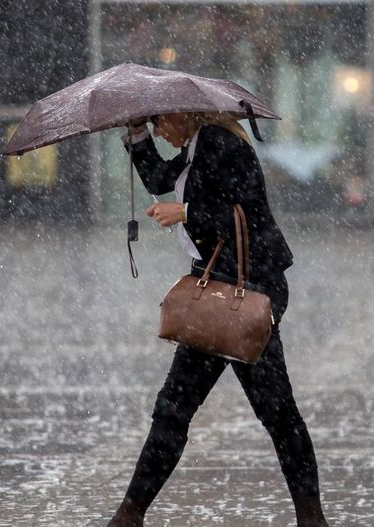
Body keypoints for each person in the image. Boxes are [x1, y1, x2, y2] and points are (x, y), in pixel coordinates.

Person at [107, 112, 329, 527]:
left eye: (158, 122)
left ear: (180, 113)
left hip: (244, 293)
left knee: (273, 412)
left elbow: (247, 212)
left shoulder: (222, 145)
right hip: (219, 291)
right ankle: (129, 514)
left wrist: (187, 212)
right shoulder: (195, 147)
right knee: (179, 408)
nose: (159, 131)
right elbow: (159, 180)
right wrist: (136, 136)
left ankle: (311, 517)